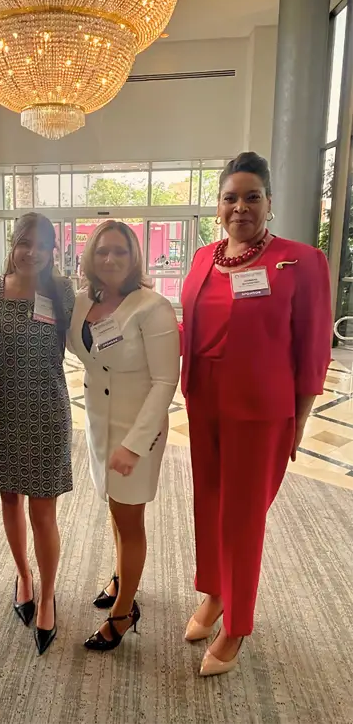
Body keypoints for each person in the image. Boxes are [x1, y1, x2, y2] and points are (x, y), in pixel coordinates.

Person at [180, 152, 332, 677]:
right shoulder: (203, 258)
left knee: (244, 518)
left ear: (269, 202)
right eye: (230, 198)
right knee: (210, 504)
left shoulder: (302, 261)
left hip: (261, 410)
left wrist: (303, 418)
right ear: (218, 205)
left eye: (251, 197)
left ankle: (237, 624)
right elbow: (190, 331)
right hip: (205, 404)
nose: (239, 207)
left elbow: (313, 348)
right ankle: (216, 592)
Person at [68, 221, 180, 652]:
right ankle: (121, 575)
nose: (110, 260)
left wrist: (135, 444)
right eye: (101, 252)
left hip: (138, 428)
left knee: (130, 519)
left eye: (119, 251)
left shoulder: (152, 307)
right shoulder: (82, 302)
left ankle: (124, 612)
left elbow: (166, 380)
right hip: (99, 423)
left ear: (134, 257)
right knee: (115, 509)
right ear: (89, 258)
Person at [0, 213, 74, 656]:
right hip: (2, 409)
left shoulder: (62, 291)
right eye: (24, 243)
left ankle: (49, 592)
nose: (31, 252)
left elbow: (99, 319)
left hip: (46, 411)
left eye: (41, 245)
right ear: (13, 244)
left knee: (44, 512)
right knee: (10, 501)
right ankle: (24, 575)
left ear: (52, 250)